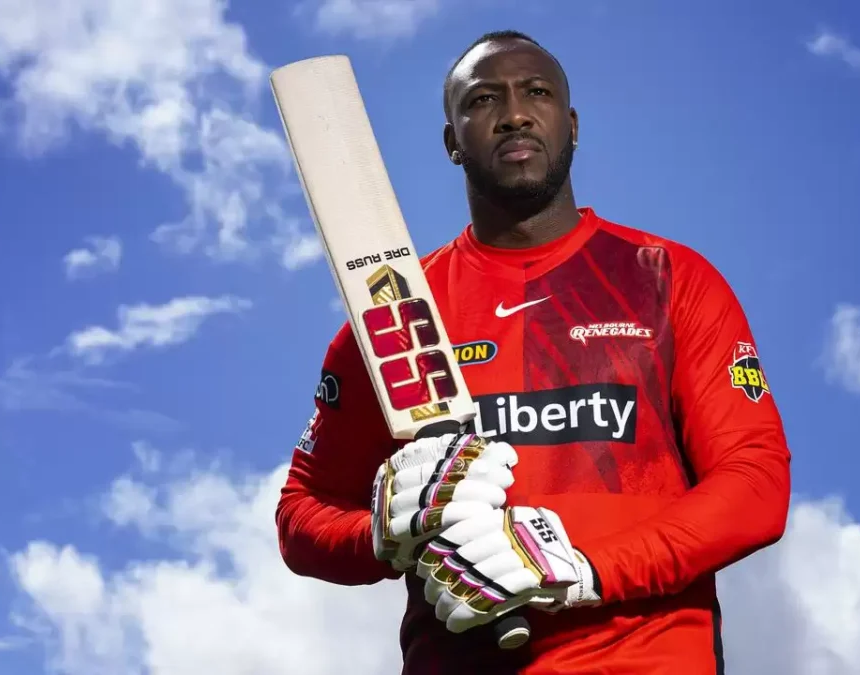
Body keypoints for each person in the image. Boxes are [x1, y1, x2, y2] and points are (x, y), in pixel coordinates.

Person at [276, 29, 792, 675]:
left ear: (571, 126)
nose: (514, 114)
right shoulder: (392, 314)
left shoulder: (669, 278)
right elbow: (301, 513)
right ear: (452, 142)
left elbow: (755, 485)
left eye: (537, 93)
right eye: (484, 99)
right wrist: (382, 533)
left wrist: (582, 570)